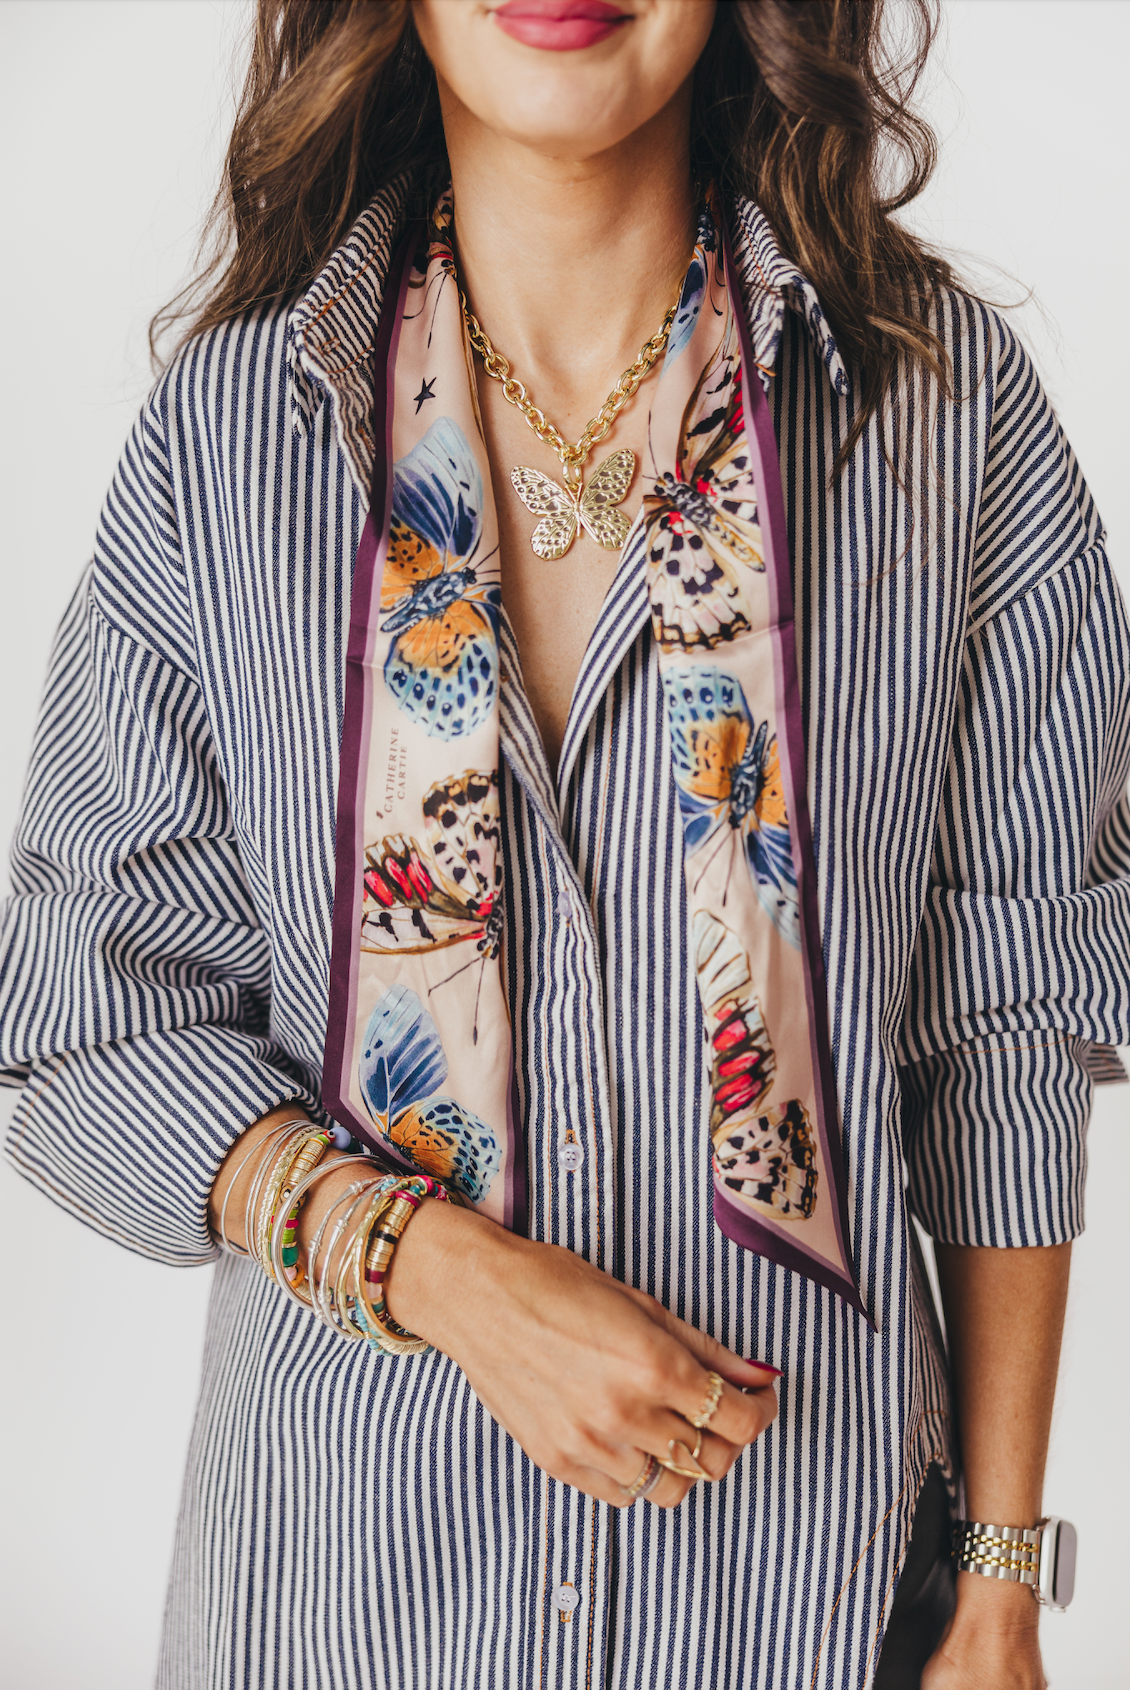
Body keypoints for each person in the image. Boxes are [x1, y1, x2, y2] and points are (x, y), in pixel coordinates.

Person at [2, 2, 1127, 1687]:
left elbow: (1009, 1024)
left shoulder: (939, 417)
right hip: (338, 1607)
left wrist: (998, 1590)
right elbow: (89, 1017)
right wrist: (433, 1268)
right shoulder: (228, 444)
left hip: (800, 1610)